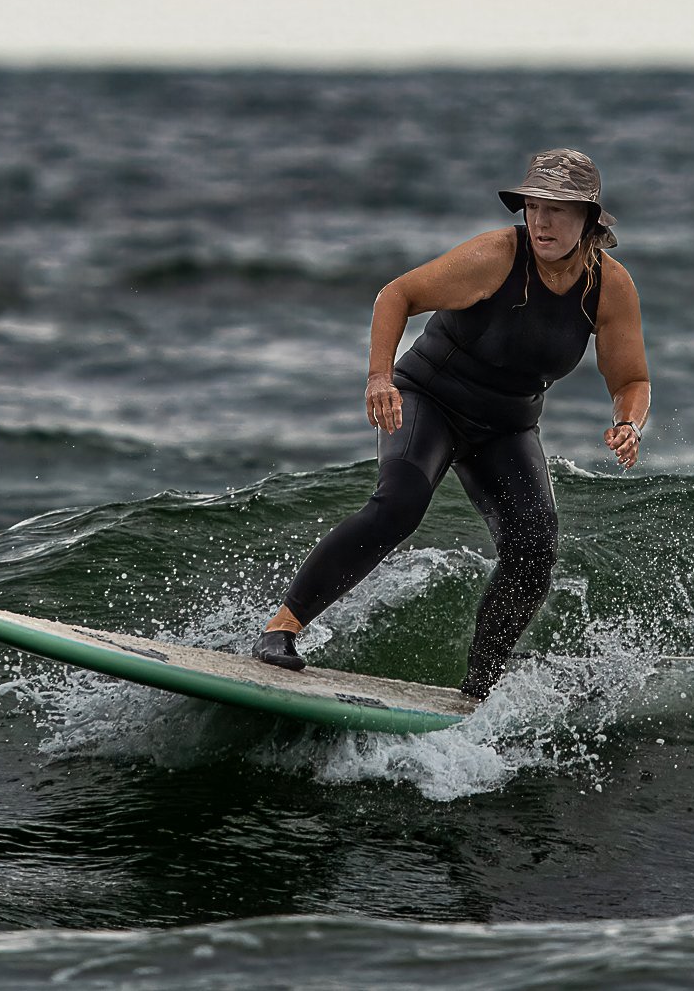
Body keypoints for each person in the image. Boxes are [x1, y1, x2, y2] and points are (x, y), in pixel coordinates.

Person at [250, 148, 650, 699]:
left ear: (590, 217)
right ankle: (281, 631)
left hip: (506, 428)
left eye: (559, 208)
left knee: (534, 546)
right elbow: (398, 295)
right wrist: (378, 378)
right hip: (429, 400)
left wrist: (628, 422)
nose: (541, 221)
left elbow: (631, 379)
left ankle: (479, 688)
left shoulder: (608, 287)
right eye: (534, 205)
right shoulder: (496, 256)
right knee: (400, 503)